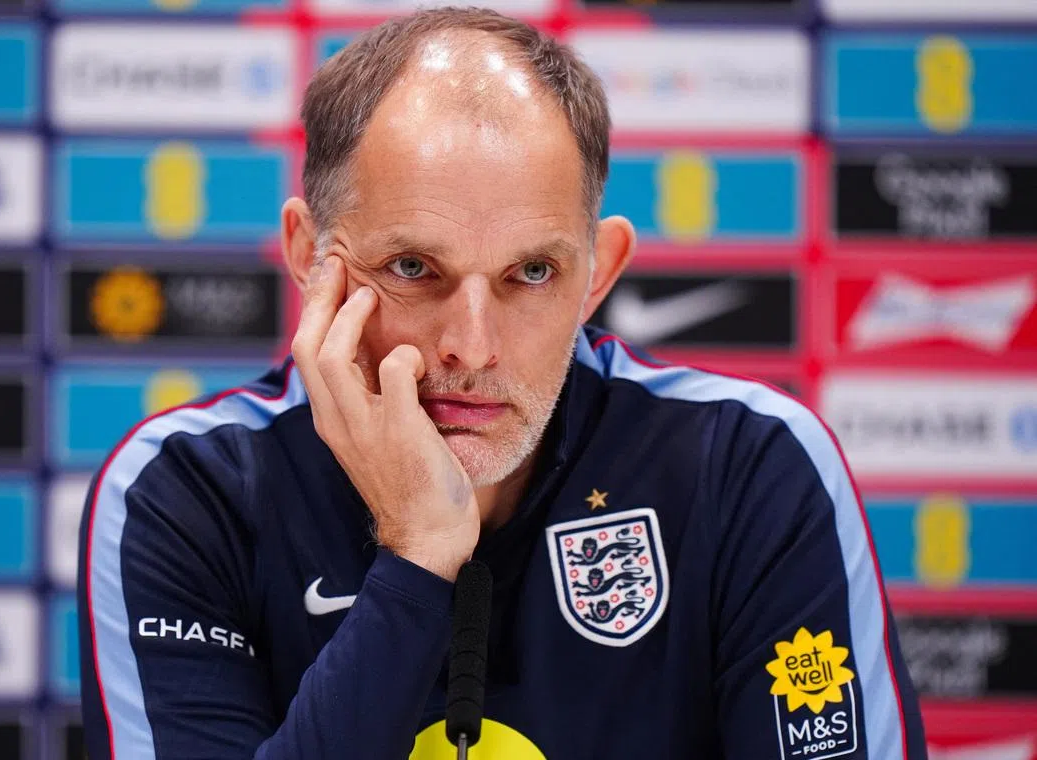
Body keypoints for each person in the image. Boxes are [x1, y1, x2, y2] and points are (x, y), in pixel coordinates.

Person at [77, 7, 927, 759]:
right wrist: (418, 553)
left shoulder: (749, 465)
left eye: (532, 273)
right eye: (414, 268)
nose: (472, 347)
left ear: (597, 274)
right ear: (310, 255)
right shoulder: (182, 492)